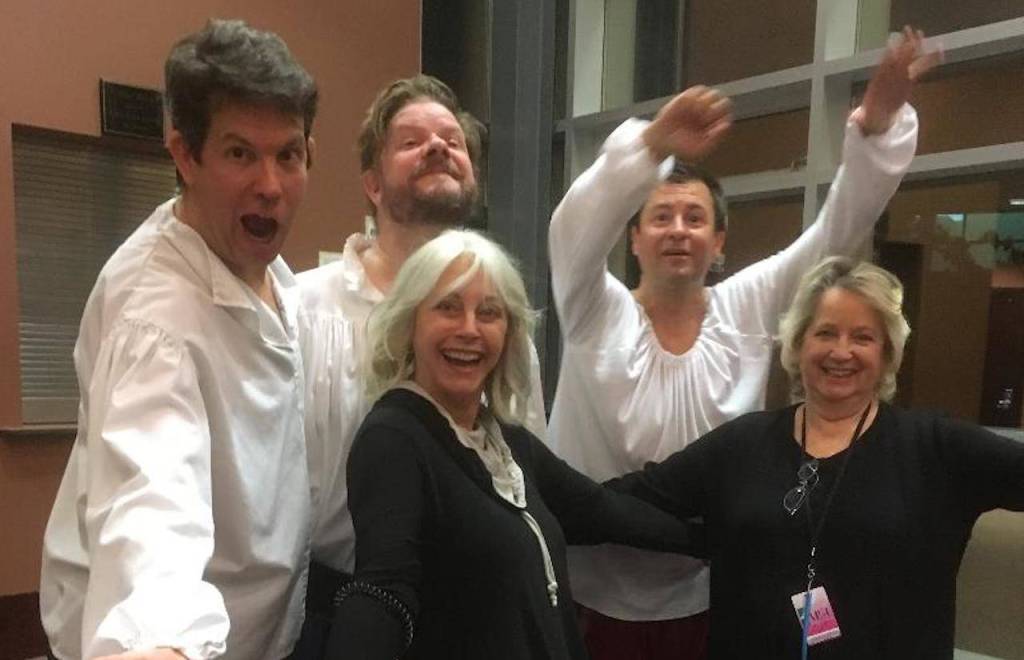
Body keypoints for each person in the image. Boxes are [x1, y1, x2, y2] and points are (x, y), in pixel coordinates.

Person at [546, 27, 941, 659]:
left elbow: (838, 229)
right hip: (590, 590)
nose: (679, 230)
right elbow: (571, 230)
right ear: (635, 239)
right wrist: (651, 144)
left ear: (719, 241)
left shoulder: (748, 306)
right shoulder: (593, 309)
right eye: (661, 217)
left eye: (695, 218)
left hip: (711, 590)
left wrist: (877, 124)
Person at [39, 19, 318, 660]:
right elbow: (150, 491)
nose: (270, 185)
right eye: (240, 153)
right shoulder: (155, 319)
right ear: (184, 155)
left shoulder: (272, 274)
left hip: (262, 623)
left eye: (288, 155)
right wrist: (160, 640)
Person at [605, 255, 1024, 658]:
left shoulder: (936, 449)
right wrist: (540, 488)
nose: (841, 352)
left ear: (887, 354)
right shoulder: (742, 445)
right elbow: (627, 502)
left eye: (862, 337)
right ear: (799, 342)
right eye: (825, 333)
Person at [324, 229, 705, 660]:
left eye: (488, 313)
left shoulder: (504, 440)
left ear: (508, 333)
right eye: (448, 308)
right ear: (411, 322)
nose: (469, 329)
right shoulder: (394, 439)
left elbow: (601, 509)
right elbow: (383, 587)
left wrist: (711, 540)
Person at [292, 75, 547, 655]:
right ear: (372, 183)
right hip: (339, 612)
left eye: (452, 141)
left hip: (473, 615)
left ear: (473, 178)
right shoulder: (303, 308)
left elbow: (525, 473)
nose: (438, 148)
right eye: (412, 140)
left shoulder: (498, 327)